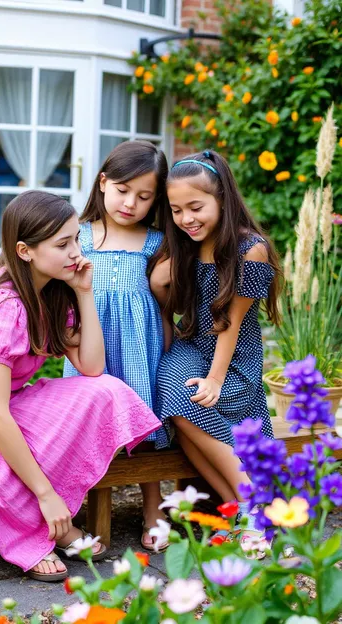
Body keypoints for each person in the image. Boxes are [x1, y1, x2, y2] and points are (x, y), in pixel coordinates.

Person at [0, 191, 161, 581]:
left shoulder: (51, 290)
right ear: (25, 251)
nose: (75, 252)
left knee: (106, 390)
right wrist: (46, 494)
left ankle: (52, 512)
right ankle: (43, 528)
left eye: (75, 240)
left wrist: (85, 291)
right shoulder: (1, 304)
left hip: (4, 402)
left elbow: (92, 367)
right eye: (62, 244)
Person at [150, 150, 282, 552]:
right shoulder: (187, 245)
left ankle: (253, 505)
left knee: (190, 403)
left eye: (195, 207)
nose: (186, 219)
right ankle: (244, 506)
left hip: (233, 357)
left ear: (221, 198)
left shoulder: (250, 250)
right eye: (176, 210)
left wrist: (216, 379)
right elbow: (171, 304)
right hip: (192, 346)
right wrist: (160, 279)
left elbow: (230, 323)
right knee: (172, 395)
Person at [64, 141, 169, 551]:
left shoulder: (156, 241)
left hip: (141, 351)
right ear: (103, 182)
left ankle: (153, 507)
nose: (131, 203)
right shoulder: (79, 236)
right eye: (123, 190)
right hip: (90, 348)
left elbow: (165, 304)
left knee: (143, 423)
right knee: (85, 425)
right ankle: (70, 511)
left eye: (144, 197)